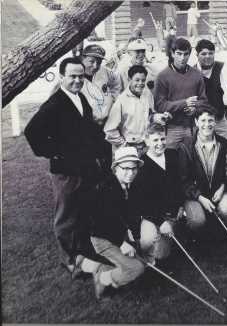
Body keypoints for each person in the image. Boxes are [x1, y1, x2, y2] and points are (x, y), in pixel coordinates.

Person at [24, 57, 108, 275]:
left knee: (83, 211)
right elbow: (32, 132)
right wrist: (55, 153)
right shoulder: (55, 104)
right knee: (66, 216)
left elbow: (89, 131)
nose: (78, 80)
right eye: (72, 76)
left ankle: (83, 252)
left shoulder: (81, 98)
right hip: (65, 172)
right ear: (62, 77)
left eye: (81, 76)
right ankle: (69, 259)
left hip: (84, 168)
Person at [88, 147, 145, 300]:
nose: (130, 173)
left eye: (134, 168)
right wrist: (121, 243)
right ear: (115, 168)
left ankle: (113, 266)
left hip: (120, 233)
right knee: (136, 269)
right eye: (125, 168)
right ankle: (103, 277)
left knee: (141, 263)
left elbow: (129, 214)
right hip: (102, 238)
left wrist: (133, 235)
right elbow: (100, 224)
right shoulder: (105, 189)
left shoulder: (130, 185)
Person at [132, 124, 183, 265]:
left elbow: (179, 184)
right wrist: (161, 222)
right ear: (147, 141)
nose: (160, 144)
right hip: (153, 216)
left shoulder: (172, 155)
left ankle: (172, 236)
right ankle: (143, 250)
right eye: (155, 140)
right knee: (160, 253)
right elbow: (142, 204)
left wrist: (180, 205)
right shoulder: (141, 166)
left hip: (173, 211)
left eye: (162, 139)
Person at [178, 105, 227, 232]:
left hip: (218, 190)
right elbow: (184, 181)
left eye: (210, 120)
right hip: (196, 194)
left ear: (215, 122)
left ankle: (221, 234)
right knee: (198, 220)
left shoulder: (224, 144)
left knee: (226, 210)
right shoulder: (185, 147)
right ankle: (197, 239)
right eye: (203, 120)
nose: (207, 124)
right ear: (196, 122)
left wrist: (222, 188)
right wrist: (200, 197)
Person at [154, 37, 208, 149]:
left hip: (192, 126)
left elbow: (203, 101)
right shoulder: (162, 76)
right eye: (178, 54)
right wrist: (184, 103)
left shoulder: (197, 74)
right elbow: (159, 105)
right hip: (172, 128)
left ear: (190, 54)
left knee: (191, 161)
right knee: (171, 161)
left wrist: (195, 109)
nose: (182, 58)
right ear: (172, 53)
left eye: (185, 54)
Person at [104, 65, 155, 155]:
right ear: (129, 79)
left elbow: (150, 115)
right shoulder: (121, 101)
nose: (140, 83)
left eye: (143, 80)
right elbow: (109, 130)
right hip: (128, 148)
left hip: (146, 146)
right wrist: (126, 145)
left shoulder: (147, 94)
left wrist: (157, 117)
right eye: (137, 80)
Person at [194, 39, 227, 138]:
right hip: (201, 121)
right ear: (197, 55)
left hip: (220, 119)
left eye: (210, 53)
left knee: (224, 148)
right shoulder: (192, 72)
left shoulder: (223, 67)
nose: (208, 56)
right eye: (203, 54)